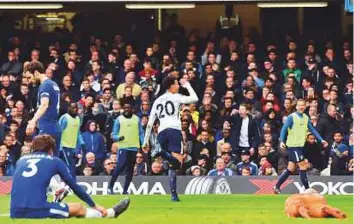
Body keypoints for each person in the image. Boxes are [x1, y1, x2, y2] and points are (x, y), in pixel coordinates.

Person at [10, 134, 130, 219]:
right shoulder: (54, 160)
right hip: (35, 210)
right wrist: (94, 205)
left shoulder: (21, 160)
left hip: (14, 210)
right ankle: (109, 214)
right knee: (78, 208)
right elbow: (74, 186)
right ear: (51, 149)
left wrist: (55, 188)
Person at [142, 76, 198, 201]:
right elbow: (195, 98)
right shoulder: (176, 97)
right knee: (177, 164)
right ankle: (173, 194)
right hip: (174, 130)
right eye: (177, 84)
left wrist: (146, 141)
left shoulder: (157, 100)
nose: (178, 86)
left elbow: (150, 122)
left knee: (170, 162)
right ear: (171, 86)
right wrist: (187, 85)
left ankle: (174, 195)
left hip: (161, 132)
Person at [23, 61, 65, 202]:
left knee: (38, 159)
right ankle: (57, 190)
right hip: (55, 126)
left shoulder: (45, 85)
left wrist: (33, 121)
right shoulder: (53, 84)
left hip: (46, 126)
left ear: (36, 72)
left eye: (29, 77)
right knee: (52, 161)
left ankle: (56, 189)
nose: (29, 81)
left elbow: (44, 104)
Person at [274, 99, 328, 193]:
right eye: (299, 105)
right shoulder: (292, 117)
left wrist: (321, 140)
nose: (301, 107)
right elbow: (283, 129)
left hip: (300, 146)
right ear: (296, 107)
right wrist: (282, 141)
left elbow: (313, 130)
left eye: (302, 105)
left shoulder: (305, 117)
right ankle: (307, 189)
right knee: (303, 166)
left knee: (291, 168)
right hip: (293, 146)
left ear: (305, 106)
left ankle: (277, 186)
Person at [108, 99, 145, 194]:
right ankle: (110, 187)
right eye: (125, 108)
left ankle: (125, 190)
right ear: (123, 109)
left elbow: (141, 132)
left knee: (130, 169)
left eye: (129, 108)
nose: (127, 109)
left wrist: (144, 143)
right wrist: (118, 138)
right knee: (119, 167)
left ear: (132, 109)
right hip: (123, 147)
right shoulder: (119, 120)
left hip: (133, 147)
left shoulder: (136, 119)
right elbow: (114, 134)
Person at [58, 102, 82, 179]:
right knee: (70, 166)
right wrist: (60, 147)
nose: (74, 109)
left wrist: (81, 142)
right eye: (73, 107)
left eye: (76, 108)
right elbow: (58, 132)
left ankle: (70, 185)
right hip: (64, 146)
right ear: (69, 108)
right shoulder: (65, 118)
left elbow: (78, 132)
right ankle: (72, 185)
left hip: (73, 147)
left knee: (72, 166)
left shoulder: (78, 118)